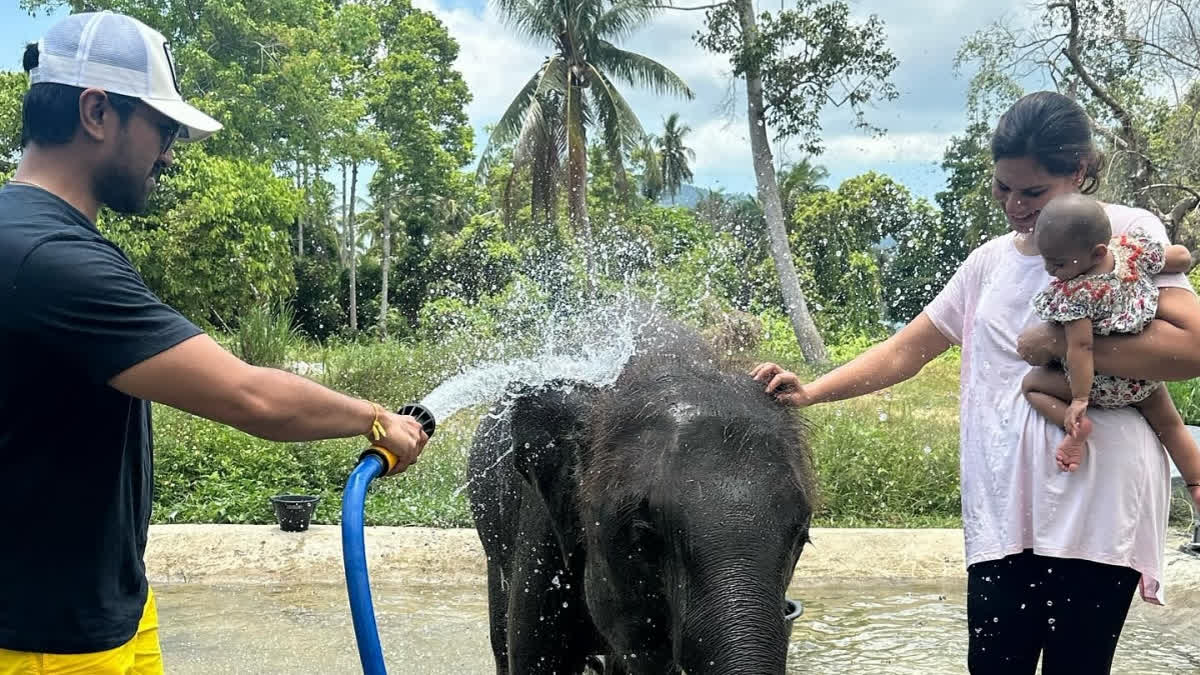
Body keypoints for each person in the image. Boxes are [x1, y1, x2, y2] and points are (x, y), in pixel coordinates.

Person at [0, 11, 427, 675]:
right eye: (163, 128)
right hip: (46, 642)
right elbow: (249, 396)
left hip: (105, 608)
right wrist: (377, 420)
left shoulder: (39, 241)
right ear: (96, 112)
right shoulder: (47, 258)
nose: (169, 152)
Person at [751, 90, 1200, 674]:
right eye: (1003, 188)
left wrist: (1058, 344)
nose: (1015, 205)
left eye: (1033, 191)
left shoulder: (1121, 235)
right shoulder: (987, 263)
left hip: (1096, 502)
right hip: (1003, 511)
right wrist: (811, 390)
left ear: (1081, 170)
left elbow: (1190, 347)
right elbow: (905, 351)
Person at [1021, 193, 1200, 482]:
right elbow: (1180, 257)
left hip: (1103, 382)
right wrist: (1173, 259)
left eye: (1058, 264)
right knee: (1169, 424)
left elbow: (1081, 347)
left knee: (1030, 386)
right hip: (1143, 374)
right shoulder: (1130, 252)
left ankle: (1075, 431)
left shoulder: (1076, 294)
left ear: (1097, 254)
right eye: (1046, 261)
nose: (1049, 271)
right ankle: (1196, 481)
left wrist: (1079, 399)